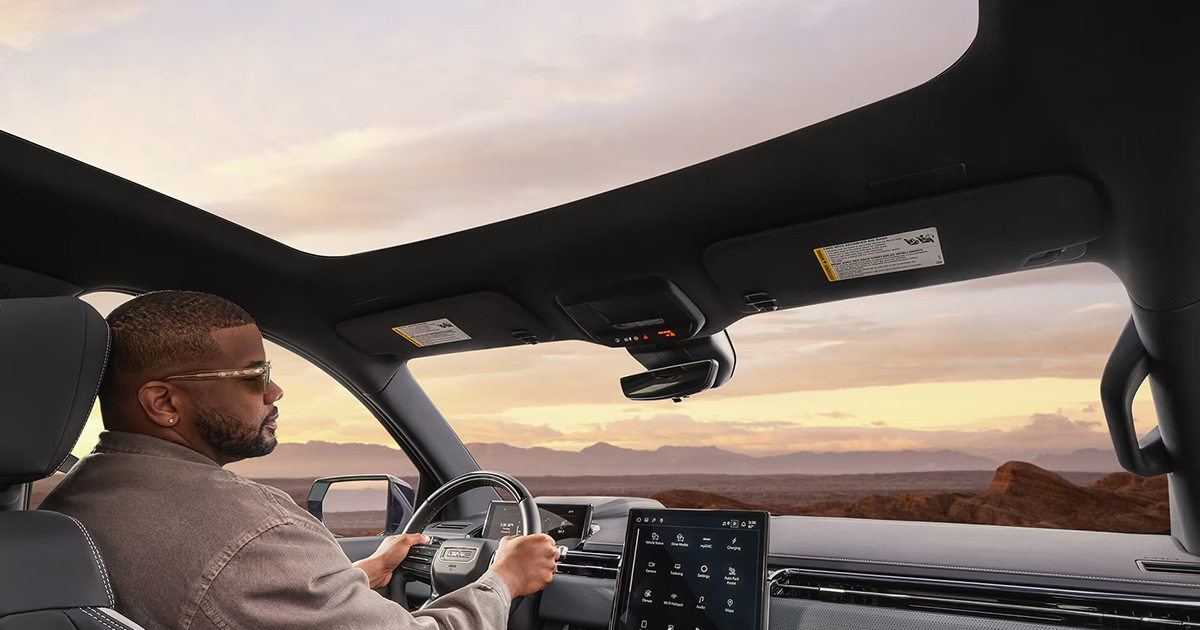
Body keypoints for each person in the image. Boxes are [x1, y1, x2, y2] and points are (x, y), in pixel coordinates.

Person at [40, 290, 560, 630]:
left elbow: (224, 594)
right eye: (251, 377)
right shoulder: (252, 530)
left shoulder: (75, 498)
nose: (275, 391)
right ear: (164, 403)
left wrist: (362, 573)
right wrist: (505, 580)